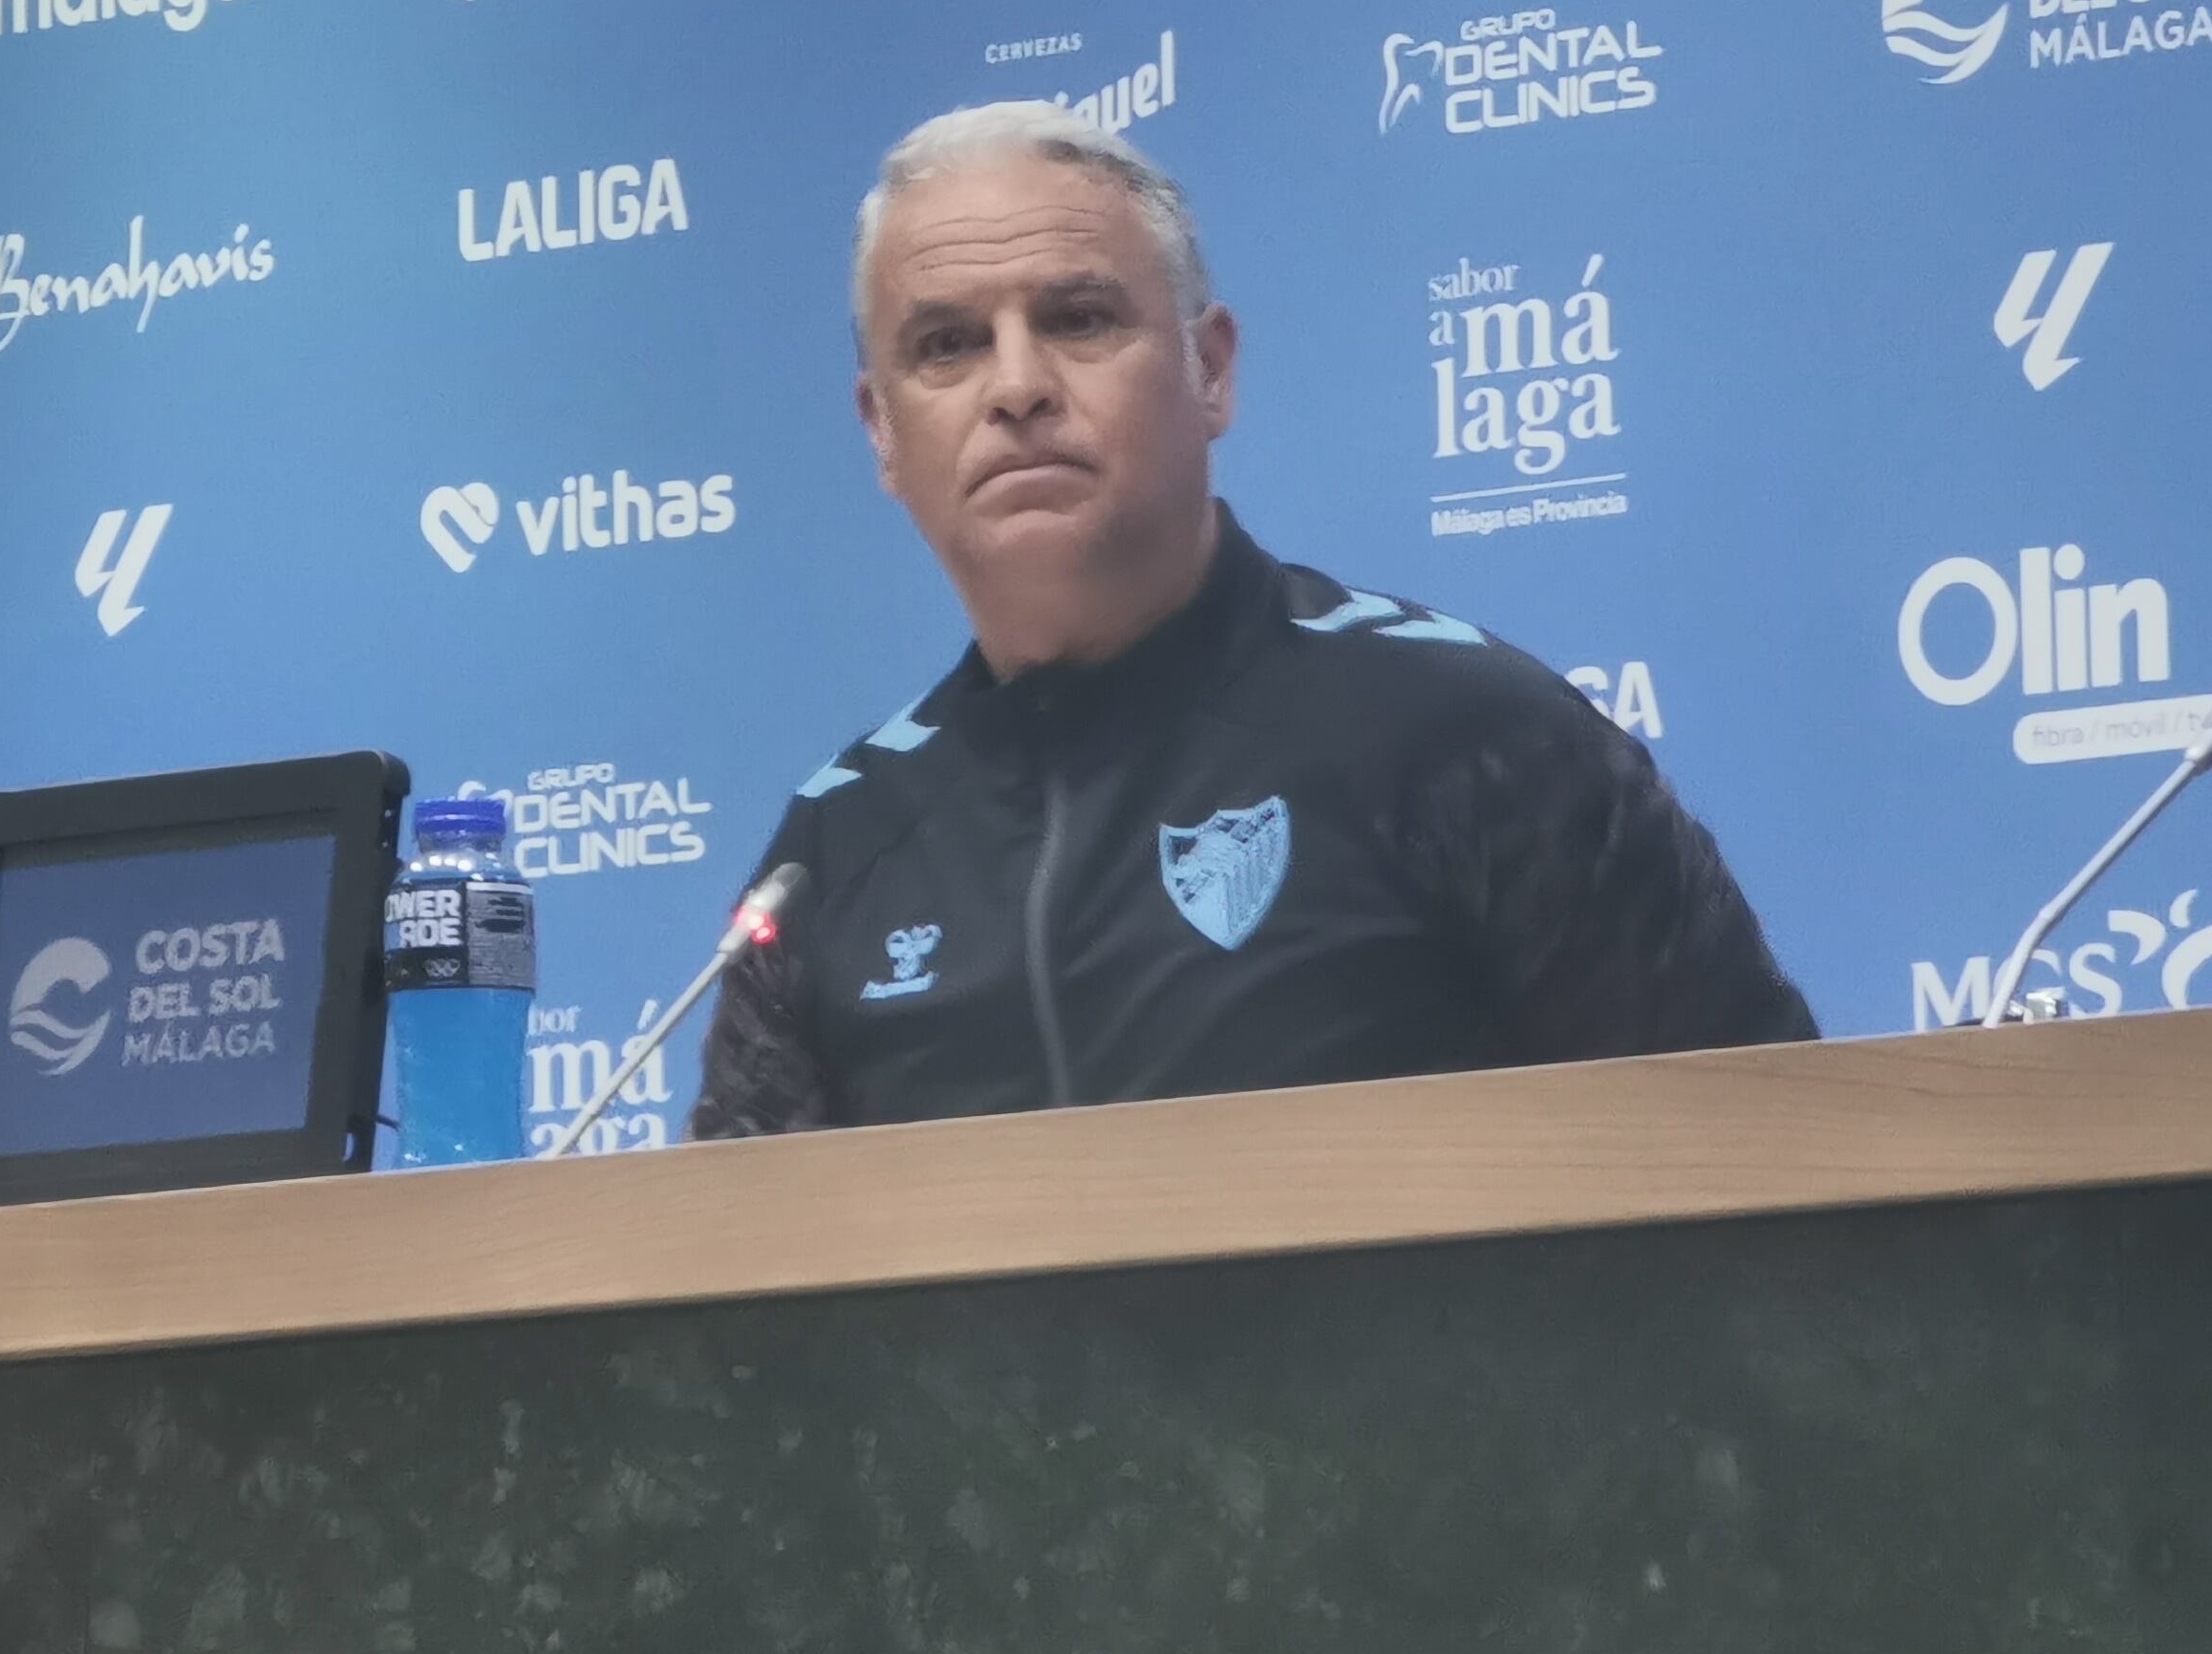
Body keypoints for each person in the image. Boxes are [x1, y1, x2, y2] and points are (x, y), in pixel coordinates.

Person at [689, 102, 1813, 1137]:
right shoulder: (835, 852)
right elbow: (730, 1306)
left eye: (1078, 319)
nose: (1016, 385)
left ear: (1210, 370)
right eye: (948, 345)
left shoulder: (1466, 733)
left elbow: (1769, 1170)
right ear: (881, 430)